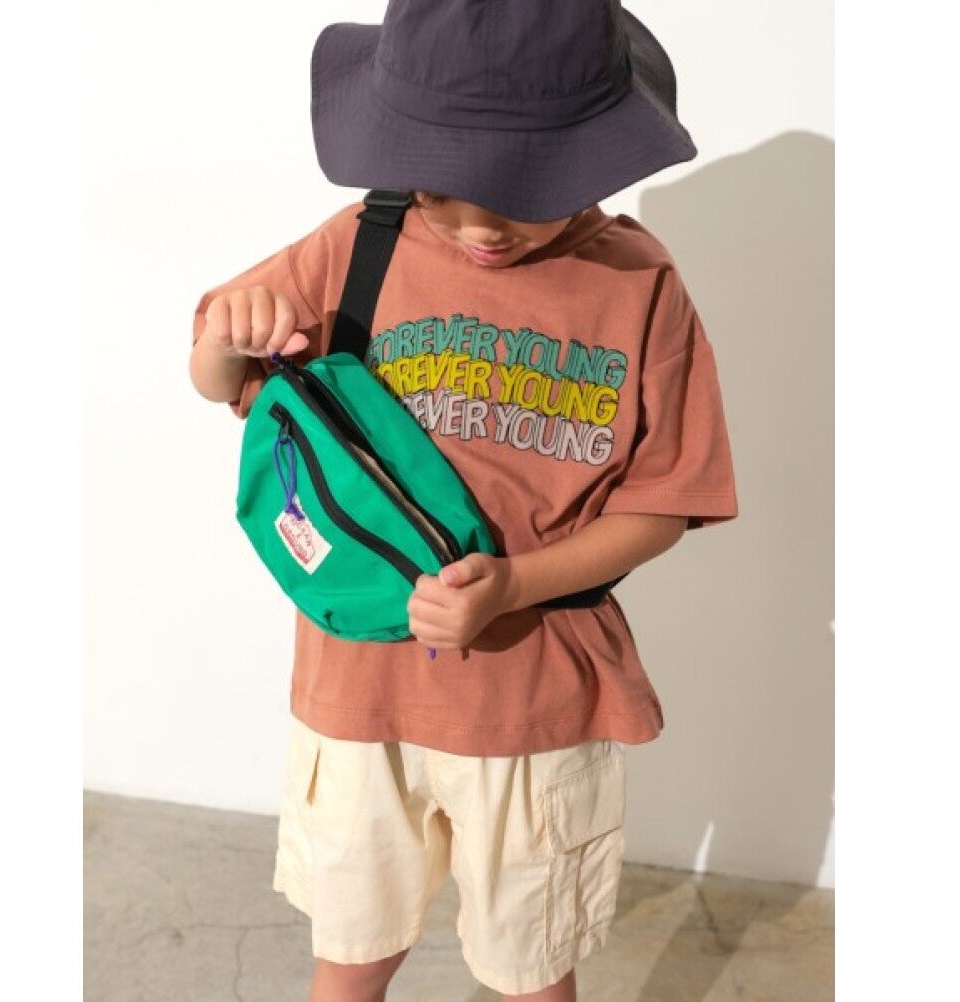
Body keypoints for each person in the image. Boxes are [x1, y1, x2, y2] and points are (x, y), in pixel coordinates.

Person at [189, 2, 738, 999]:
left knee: (533, 969)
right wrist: (232, 334)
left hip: (536, 703)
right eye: (441, 183)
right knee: (350, 953)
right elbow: (216, 373)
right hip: (360, 690)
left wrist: (515, 585)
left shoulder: (638, 284)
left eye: (521, 189)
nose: (479, 223)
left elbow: (665, 501)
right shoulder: (362, 241)